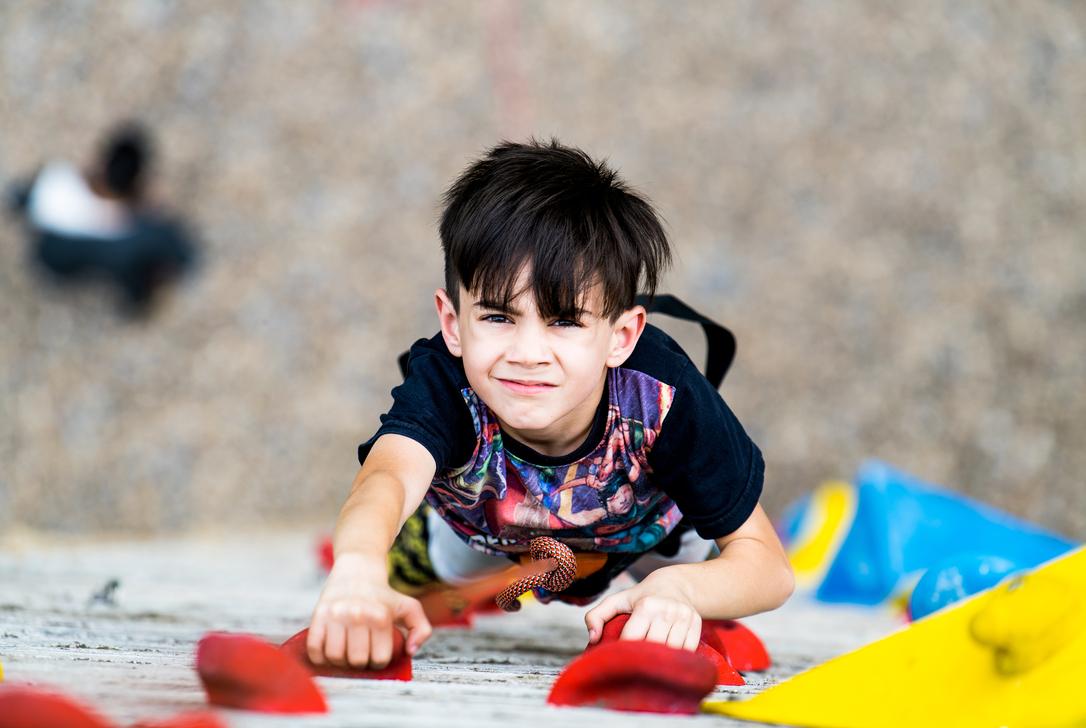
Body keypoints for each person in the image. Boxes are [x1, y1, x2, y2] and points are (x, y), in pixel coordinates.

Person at [307, 139, 794, 670]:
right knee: (401, 559)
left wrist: (684, 591)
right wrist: (357, 566)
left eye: (564, 321)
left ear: (621, 336)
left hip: (648, 537)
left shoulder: (664, 397)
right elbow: (387, 479)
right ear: (453, 324)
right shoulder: (447, 385)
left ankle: (685, 600)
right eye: (497, 317)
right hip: (483, 536)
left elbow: (768, 566)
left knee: (688, 582)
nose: (528, 354)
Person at [9, 122, 197, 314]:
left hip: (47, 256)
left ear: (102, 163)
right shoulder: (130, 229)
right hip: (69, 262)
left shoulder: (56, 179)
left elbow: (21, 199)